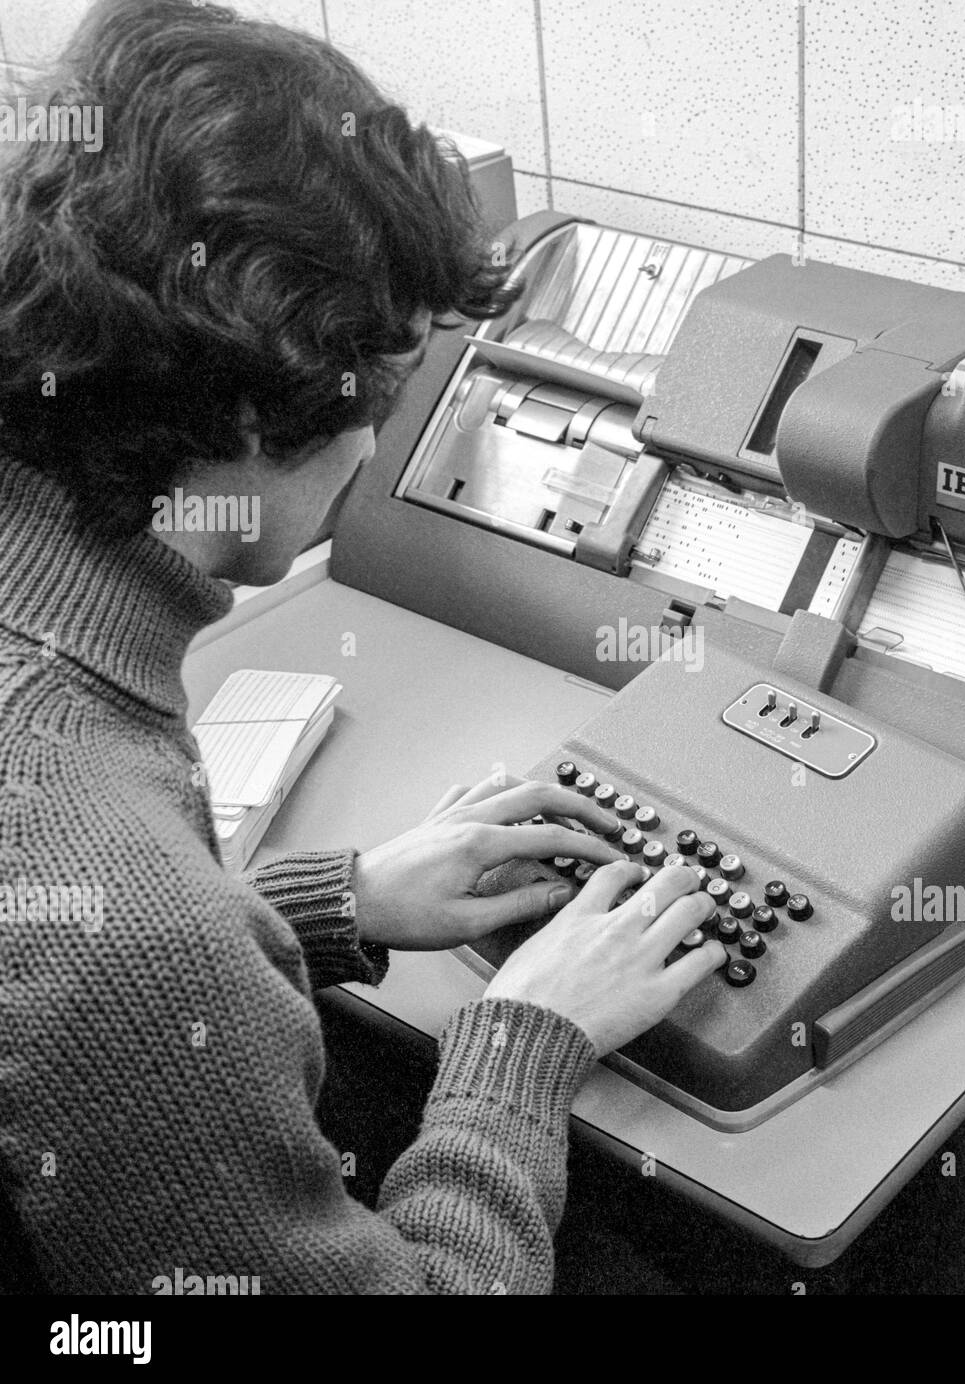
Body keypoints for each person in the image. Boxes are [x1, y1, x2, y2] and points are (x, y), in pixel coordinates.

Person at [0, 0, 725, 1294]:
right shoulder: (120, 912)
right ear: (246, 408)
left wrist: (323, 907)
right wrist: (521, 1041)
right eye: (379, 399)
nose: (376, 450)